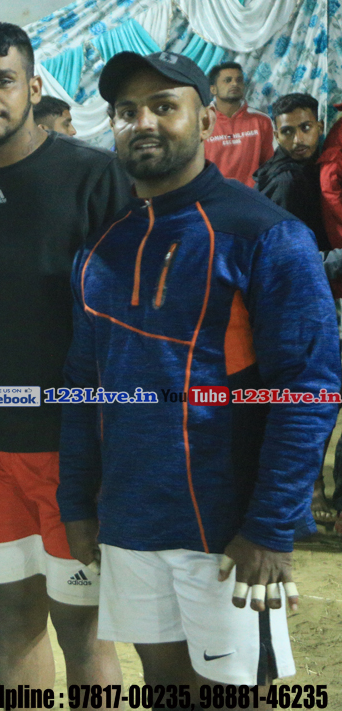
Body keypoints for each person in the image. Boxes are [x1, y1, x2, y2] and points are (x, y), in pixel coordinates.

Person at [60, 50, 340, 688]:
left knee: (235, 696)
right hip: (129, 521)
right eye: (127, 111)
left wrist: (270, 526)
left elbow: (308, 391)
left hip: (227, 530)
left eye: (164, 106)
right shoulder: (102, 247)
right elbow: (82, 387)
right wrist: (77, 502)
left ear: (207, 121)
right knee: (163, 688)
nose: (143, 123)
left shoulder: (266, 235)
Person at [0, 21, 127, 690]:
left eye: (2, 80)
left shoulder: (95, 176)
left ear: (34, 87)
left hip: (72, 453)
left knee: (84, 629)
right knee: (16, 622)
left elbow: (127, 325)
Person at [254, 92, 328, 250]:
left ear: (320, 127)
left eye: (306, 128)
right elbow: (289, 252)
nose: (298, 140)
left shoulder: (315, 164)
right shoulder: (287, 183)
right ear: (277, 136)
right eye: (287, 132)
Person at [203, 61, 274, 187]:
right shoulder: (201, 122)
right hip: (211, 194)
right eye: (228, 80)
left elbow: (268, 165)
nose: (235, 84)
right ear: (213, 89)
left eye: (239, 80)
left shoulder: (261, 121)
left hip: (251, 195)